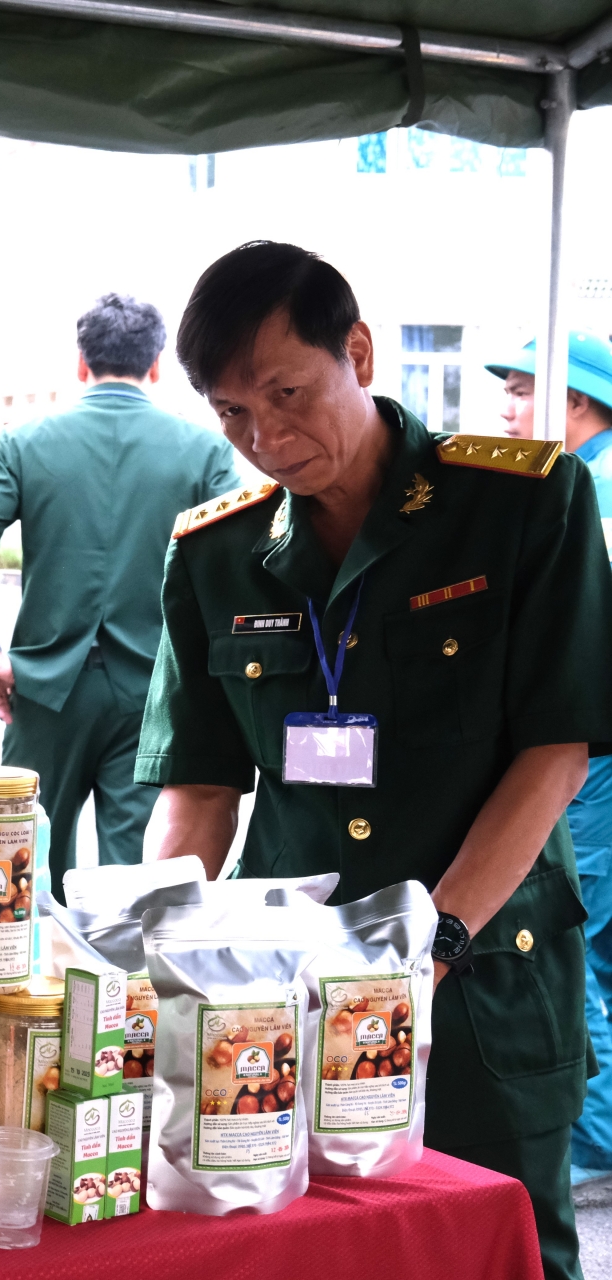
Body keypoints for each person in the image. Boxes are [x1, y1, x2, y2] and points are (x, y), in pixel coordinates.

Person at [138, 241, 612, 1280]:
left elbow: (555, 753)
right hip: (283, 984)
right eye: (231, 413)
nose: (266, 435)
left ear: (358, 349)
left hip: (482, 971)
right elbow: (201, 782)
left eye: (287, 391)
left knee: (502, 1245)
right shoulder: (214, 551)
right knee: (303, 1248)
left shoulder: (524, 504)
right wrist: (148, 937)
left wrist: (427, 945)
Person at [0, 294, 239, 891]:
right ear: (156, 365)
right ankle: (112, 986)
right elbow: (236, 561)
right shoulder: (204, 449)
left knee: (13, 870)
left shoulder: (24, 444)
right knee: (130, 882)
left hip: (44, 691)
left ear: (82, 363)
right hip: (151, 694)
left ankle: (19, 977)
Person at [485, 330, 612, 1183]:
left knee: (587, 941)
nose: (507, 408)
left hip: (596, 763)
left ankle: (593, 1145)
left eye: (523, 389)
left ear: (576, 402)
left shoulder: (588, 496)